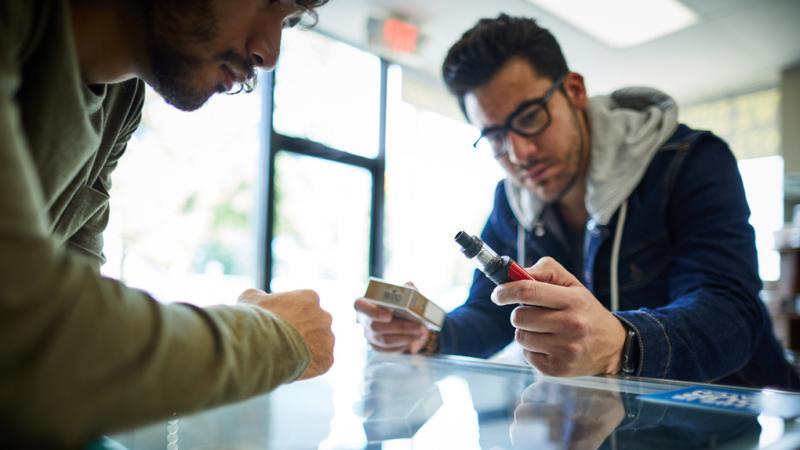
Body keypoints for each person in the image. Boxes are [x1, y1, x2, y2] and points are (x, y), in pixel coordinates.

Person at [355, 14, 800, 390]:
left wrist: (623, 341)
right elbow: (489, 313)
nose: (519, 154)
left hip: (730, 422)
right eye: (494, 136)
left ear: (575, 91)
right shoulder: (510, 200)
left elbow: (731, 313)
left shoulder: (691, 162)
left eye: (530, 118)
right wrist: (430, 334)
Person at [0, 0, 334, 447]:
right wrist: (278, 338)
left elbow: (82, 338)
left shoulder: (121, 101)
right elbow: (34, 342)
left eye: (288, 20)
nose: (269, 53)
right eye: (270, 2)